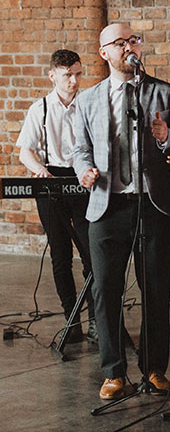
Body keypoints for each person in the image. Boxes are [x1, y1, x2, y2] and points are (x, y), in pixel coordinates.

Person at [72, 23, 170, 400]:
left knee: (156, 289)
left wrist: (166, 137)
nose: (129, 47)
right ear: (104, 52)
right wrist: (83, 170)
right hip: (107, 206)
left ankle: (154, 368)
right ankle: (113, 372)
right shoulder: (88, 100)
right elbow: (80, 149)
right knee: (105, 291)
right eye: (119, 43)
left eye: (133, 41)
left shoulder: (165, 93)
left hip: (153, 205)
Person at [16, 50, 93, 343]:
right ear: (52, 76)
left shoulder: (88, 105)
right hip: (51, 181)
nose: (74, 81)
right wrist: (39, 170)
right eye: (67, 75)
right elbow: (25, 151)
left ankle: (97, 321)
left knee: (92, 255)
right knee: (61, 256)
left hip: (83, 181)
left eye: (78, 74)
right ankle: (72, 320)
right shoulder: (41, 109)